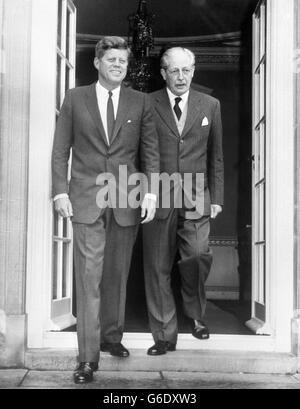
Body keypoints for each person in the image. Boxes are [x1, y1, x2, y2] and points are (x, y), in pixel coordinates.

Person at [52, 36, 159, 383]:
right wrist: (59, 193)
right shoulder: (75, 98)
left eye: (122, 61)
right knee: (88, 278)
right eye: (111, 59)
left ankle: (112, 337)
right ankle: (87, 358)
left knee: (116, 275)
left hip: (126, 199)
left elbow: (150, 152)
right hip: (85, 199)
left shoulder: (140, 102)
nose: (117, 65)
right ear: (97, 63)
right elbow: (60, 151)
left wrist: (152, 194)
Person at [143, 47, 224, 356]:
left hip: (196, 195)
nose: (181, 77)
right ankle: (164, 335)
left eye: (186, 70)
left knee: (197, 256)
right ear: (163, 73)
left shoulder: (210, 105)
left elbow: (216, 155)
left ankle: (196, 315)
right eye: (174, 71)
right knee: (157, 266)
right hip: (157, 195)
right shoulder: (148, 103)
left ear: (194, 70)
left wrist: (215, 197)